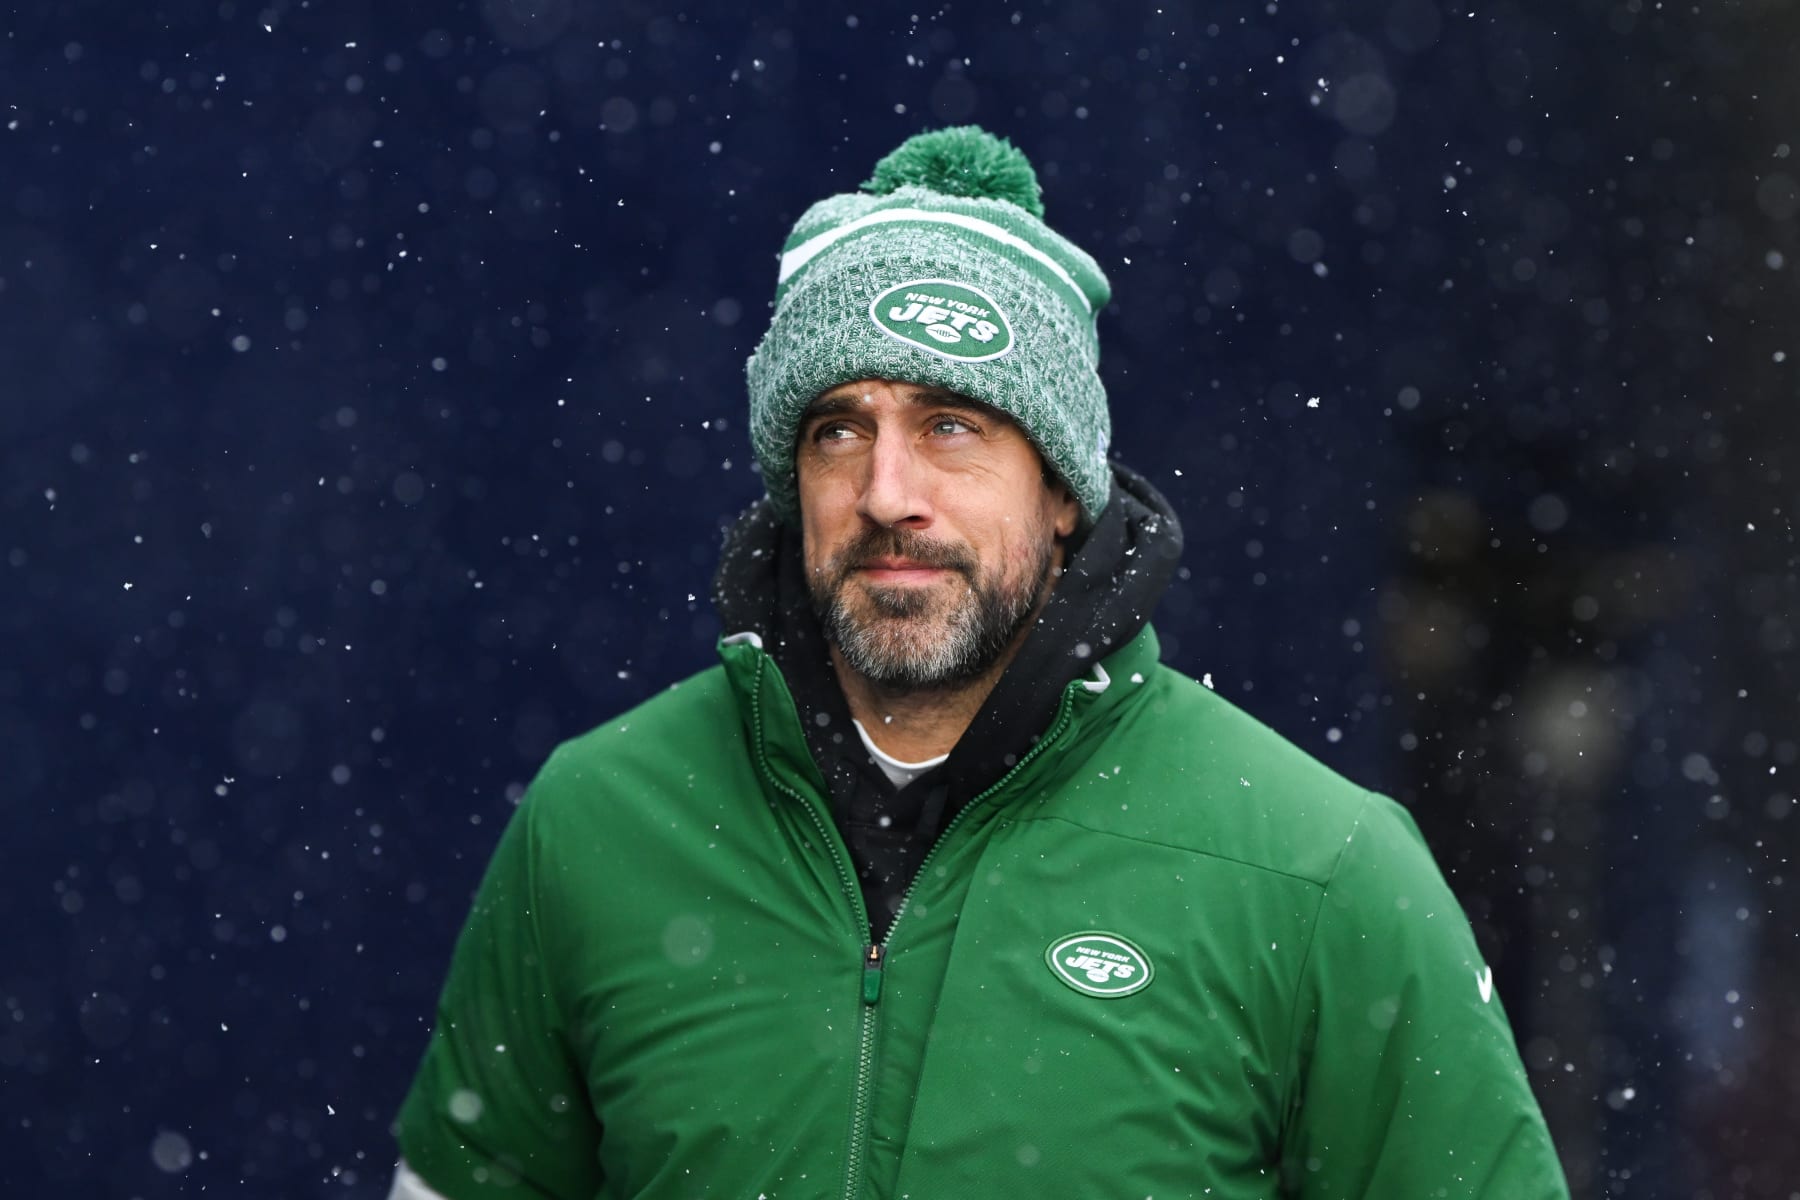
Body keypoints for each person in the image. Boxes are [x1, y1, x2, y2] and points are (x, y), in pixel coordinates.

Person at [385, 127, 1569, 1199]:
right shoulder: (597, 826)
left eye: (953, 425)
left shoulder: (1318, 876)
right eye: (838, 428)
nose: (886, 493)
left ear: (1060, 489)